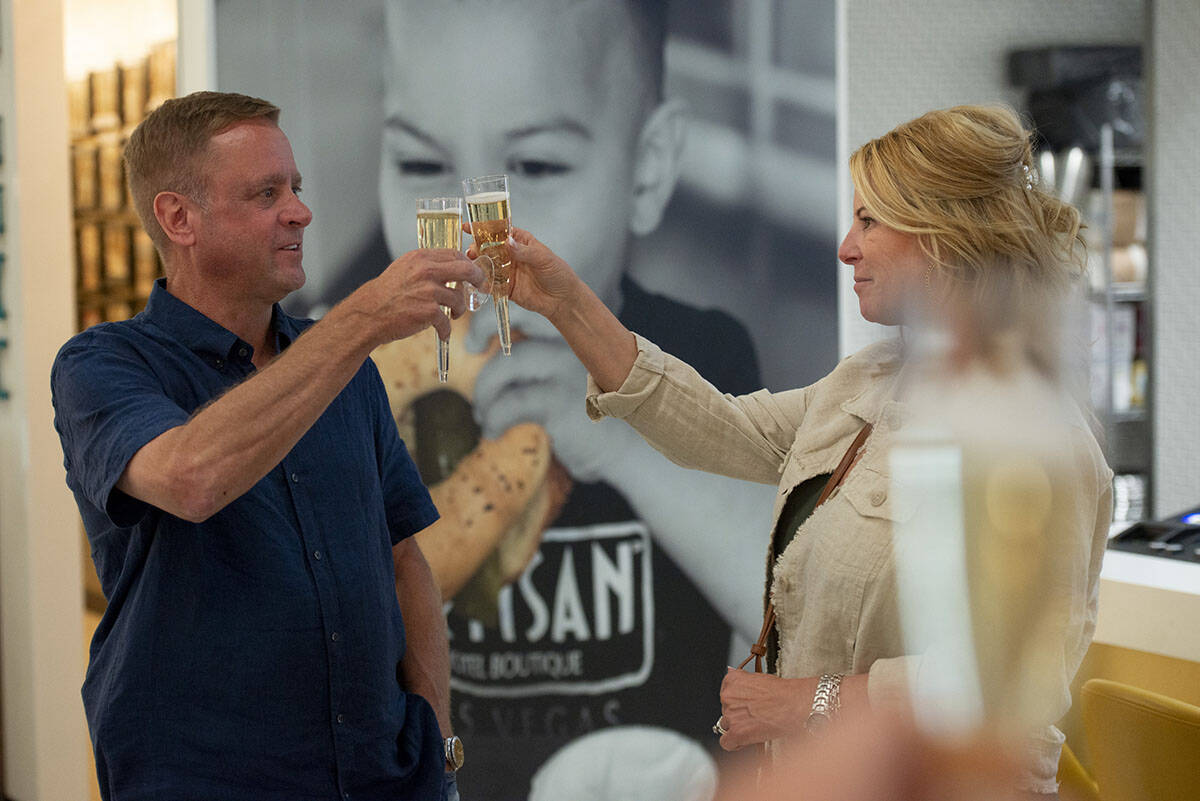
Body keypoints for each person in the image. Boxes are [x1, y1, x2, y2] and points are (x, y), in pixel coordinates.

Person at [483, 104, 1112, 798]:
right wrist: (567, 303)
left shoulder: (1033, 433)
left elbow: (1009, 683)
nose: (846, 247)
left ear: (943, 236)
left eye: (870, 221)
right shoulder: (866, 383)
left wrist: (810, 701)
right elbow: (718, 426)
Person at [349, 1, 782, 798]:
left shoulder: (699, 360)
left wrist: (625, 439)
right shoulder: (351, 382)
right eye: (418, 163)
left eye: (538, 169)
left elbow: (793, 606)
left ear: (645, 171)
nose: (474, 241)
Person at [50, 91, 484, 801]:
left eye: (296, 188)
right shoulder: (101, 365)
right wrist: (364, 319)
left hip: (386, 778)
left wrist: (434, 739)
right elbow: (193, 476)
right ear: (178, 218)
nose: (300, 211)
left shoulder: (343, 361)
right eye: (266, 192)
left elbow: (404, 556)